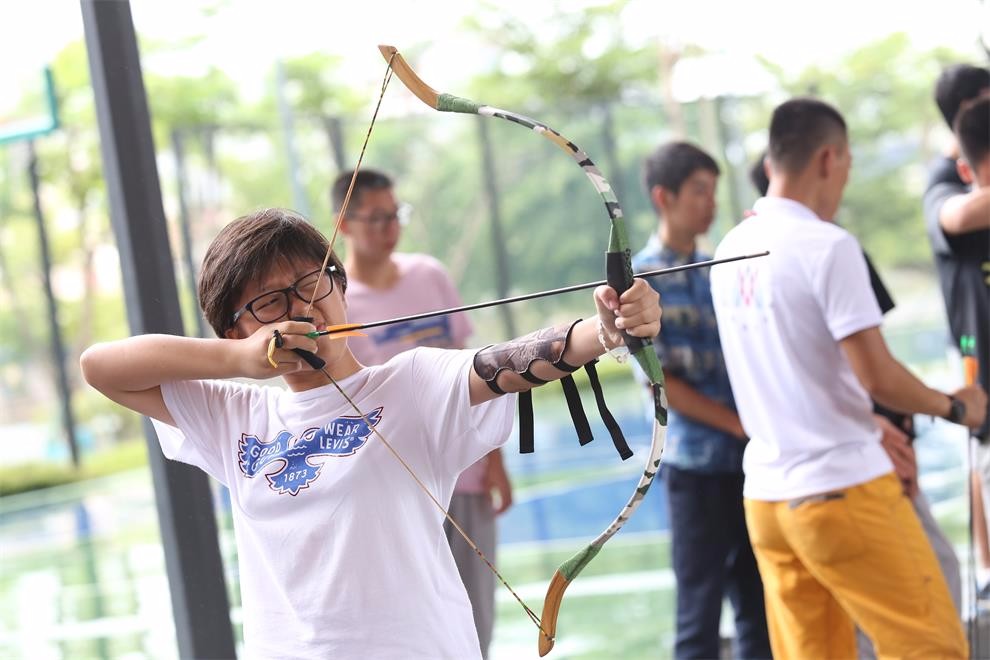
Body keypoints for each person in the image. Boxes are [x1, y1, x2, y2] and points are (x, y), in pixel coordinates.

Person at [79, 207, 661, 659]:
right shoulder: (235, 415)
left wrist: (605, 330)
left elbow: (505, 362)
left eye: (312, 283)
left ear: (341, 286)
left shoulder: (411, 383)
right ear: (235, 330)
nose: (301, 308)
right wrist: (238, 361)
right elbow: (100, 366)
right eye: (268, 302)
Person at [710, 97, 987, 659]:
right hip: (843, 492)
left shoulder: (730, 247)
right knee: (932, 647)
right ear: (830, 158)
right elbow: (878, 376)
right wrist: (957, 406)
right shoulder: (827, 245)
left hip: (767, 502)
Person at [332, 168, 512, 658]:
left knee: (476, 622)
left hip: (468, 473)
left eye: (395, 215)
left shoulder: (429, 274)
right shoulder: (337, 306)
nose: (390, 228)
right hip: (399, 487)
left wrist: (495, 458)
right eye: (376, 218)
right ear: (343, 224)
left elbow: (474, 369)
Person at [632, 142, 770, 660]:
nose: (710, 204)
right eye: (699, 192)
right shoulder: (638, 281)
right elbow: (661, 383)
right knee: (699, 616)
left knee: (759, 608)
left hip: (748, 462)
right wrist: (739, 425)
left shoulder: (722, 266)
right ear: (663, 197)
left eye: (713, 192)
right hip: (693, 470)